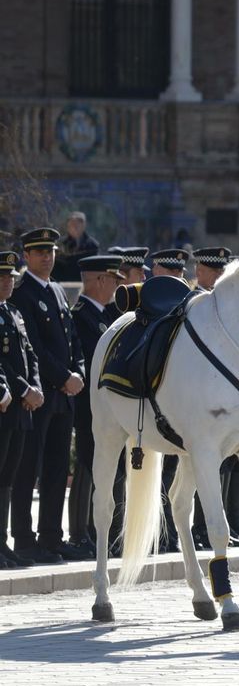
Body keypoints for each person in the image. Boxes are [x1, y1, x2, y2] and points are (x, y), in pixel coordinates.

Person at [9, 228, 88, 564]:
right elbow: (34, 348)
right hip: (40, 394)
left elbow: (72, 342)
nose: (47, 257)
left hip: (64, 396)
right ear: (26, 255)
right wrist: (63, 377)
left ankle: (51, 537)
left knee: (57, 468)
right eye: (39, 251)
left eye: (51, 251)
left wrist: (80, 372)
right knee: (28, 469)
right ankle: (25, 540)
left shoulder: (57, 290)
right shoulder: (22, 292)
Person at [66, 255, 124, 553]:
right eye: (114, 279)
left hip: (110, 408)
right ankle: (80, 532)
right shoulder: (81, 316)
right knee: (89, 464)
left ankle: (97, 530)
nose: (117, 285)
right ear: (99, 280)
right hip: (91, 405)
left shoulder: (107, 315)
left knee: (104, 466)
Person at [0, 251, 45, 569]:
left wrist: (36, 386)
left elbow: (29, 354)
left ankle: (2, 543)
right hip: (6, 404)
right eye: (1, 278)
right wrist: (22, 389)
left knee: (8, 479)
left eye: (10, 278)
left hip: (21, 409)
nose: (7, 283)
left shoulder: (14, 312)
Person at [55, 212, 99, 283]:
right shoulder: (61, 244)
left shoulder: (92, 245)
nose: (74, 228)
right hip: (64, 283)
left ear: (83, 226)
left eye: (77, 225)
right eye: (72, 225)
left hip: (85, 283)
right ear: (68, 227)